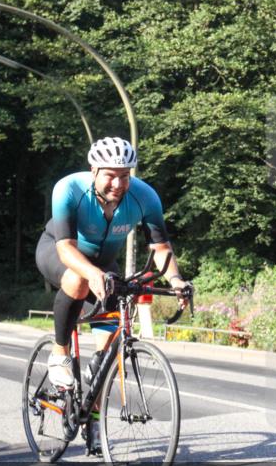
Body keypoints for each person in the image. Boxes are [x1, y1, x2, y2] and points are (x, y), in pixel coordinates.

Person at [35, 137, 190, 389]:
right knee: (78, 279)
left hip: (105, 264)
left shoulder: (145, 196)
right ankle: (59, 353)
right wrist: (92, 273)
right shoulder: (69, 188)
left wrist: (176, 280)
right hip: (59, 252)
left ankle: (93, 408)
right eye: (110, 175)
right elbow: (66, 249)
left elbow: (161, 248)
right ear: (94, 170)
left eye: (124, 176)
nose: (118, 184)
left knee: (105, 361)